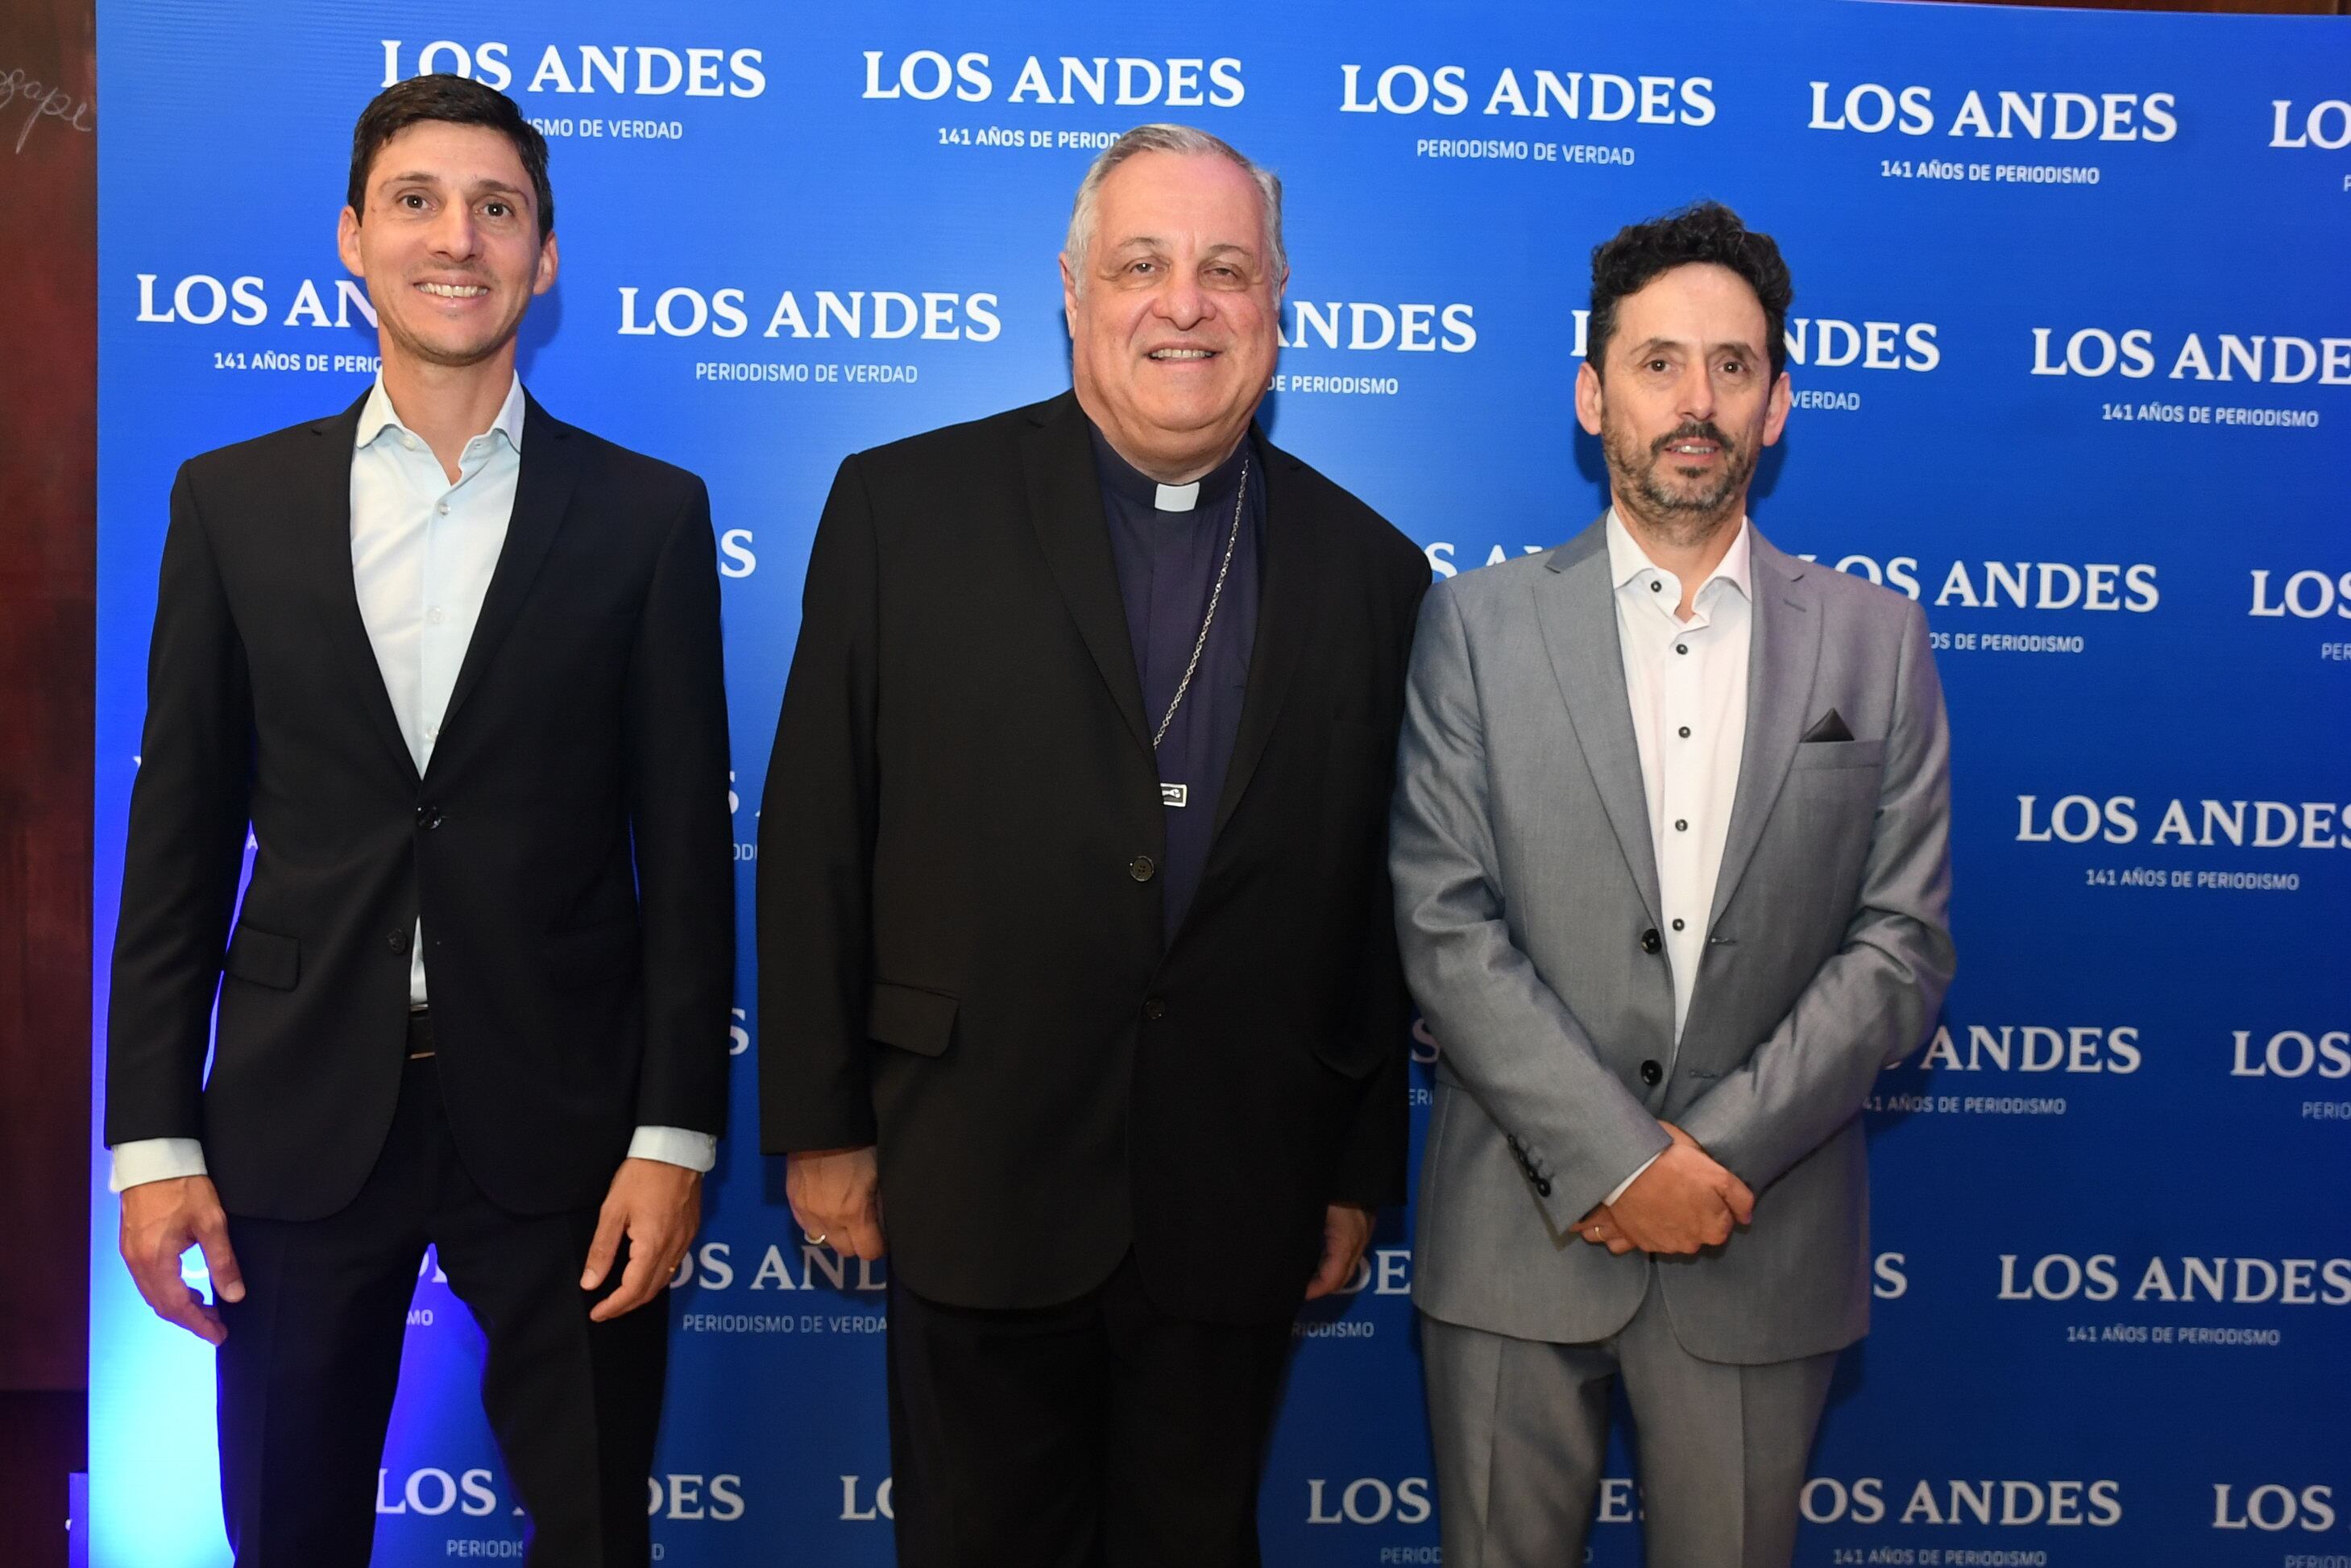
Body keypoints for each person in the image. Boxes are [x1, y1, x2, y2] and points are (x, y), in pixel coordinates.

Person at [758, 123, 1428, 1566]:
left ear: (1277, 300)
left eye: (1224, 269)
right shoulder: (902, 508)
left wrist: (1353, 1166)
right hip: (973, 1163)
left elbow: (1373, 898)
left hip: (1238, 1185)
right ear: (1071, 289)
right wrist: (822, 1124)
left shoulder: (1370, 568)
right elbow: (816, 827)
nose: (1182, 303)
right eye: (1142, 264)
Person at [105, 74, 733, 1567]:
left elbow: (689, 858)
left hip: (572, 1129)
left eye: (496, 207)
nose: (458, 238)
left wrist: (674, 1134)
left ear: (545, 255)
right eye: (417, 200)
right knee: (288, 1527)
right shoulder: (230, 504)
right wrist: (149, 1143)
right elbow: (176, 844)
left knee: (592, 1531)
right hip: (293, 1121)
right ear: (351, 238)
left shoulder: (648, 515)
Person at [1390, 201, 1955, 1568]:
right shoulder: (1472, 626)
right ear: (1592, 397)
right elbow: (1441, 920)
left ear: (1774, 405)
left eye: (1732, 365)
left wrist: (1713, 1160)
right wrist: (1621, 1158)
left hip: (1760, 1239)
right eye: (1655, 363)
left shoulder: (1876, 644)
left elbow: (1900, 946)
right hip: (1517, 1235)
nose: (1693, 401)